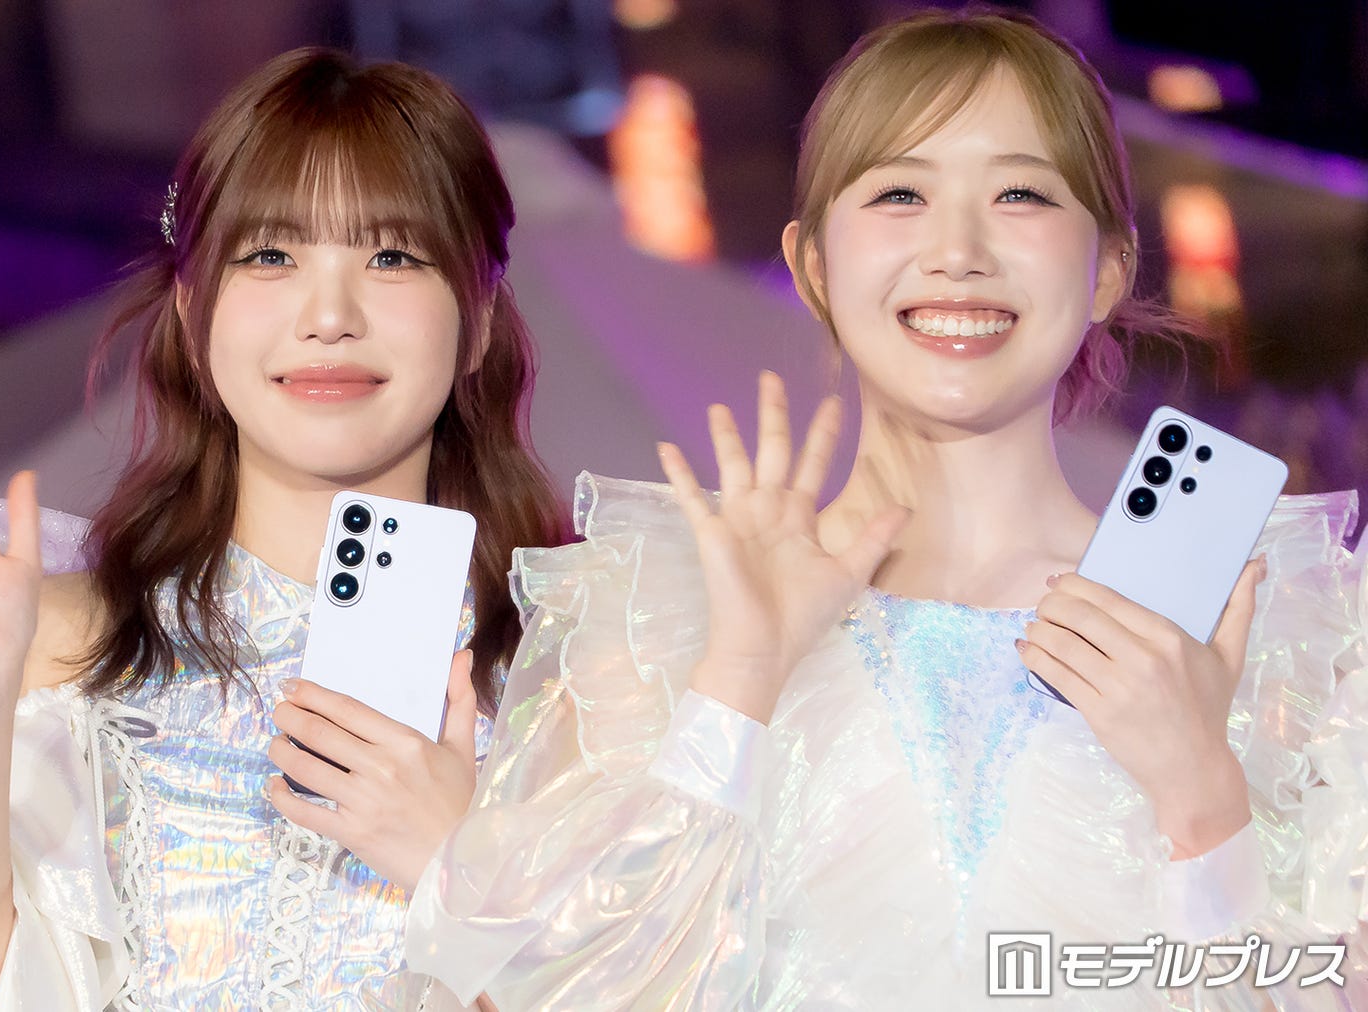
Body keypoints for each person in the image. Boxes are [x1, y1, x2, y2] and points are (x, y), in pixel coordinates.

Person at [405, 10, 1368, 1009]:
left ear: (1108, 270)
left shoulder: (1259, 629)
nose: (957, 251)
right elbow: (557, 990)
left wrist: (1203, 801)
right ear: (814, 266)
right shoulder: (655, 621)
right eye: (900, 193)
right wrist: (737, 686)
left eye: (1021, 194)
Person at [0, 48, 562, 1010]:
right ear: (192, 311)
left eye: (392, 256)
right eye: (271, 255)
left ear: (479, 317)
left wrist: (456, 870)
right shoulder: (67, 641)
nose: (329, 316)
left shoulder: (572, 673)